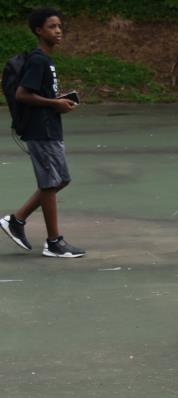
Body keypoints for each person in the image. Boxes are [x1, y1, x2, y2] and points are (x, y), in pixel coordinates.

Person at [0, 8, 85, 257]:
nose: (58, 30)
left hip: (50, 127)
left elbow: (38, 94)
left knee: (61, 179)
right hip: (41, 130)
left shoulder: (46, 60)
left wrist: (58, 101)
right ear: (39, 31)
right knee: (51, 183)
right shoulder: (38, 60)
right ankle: (54, 242)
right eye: (51, 26)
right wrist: (54, 103)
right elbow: (22, 94)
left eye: (59, 26)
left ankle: (17, 220)